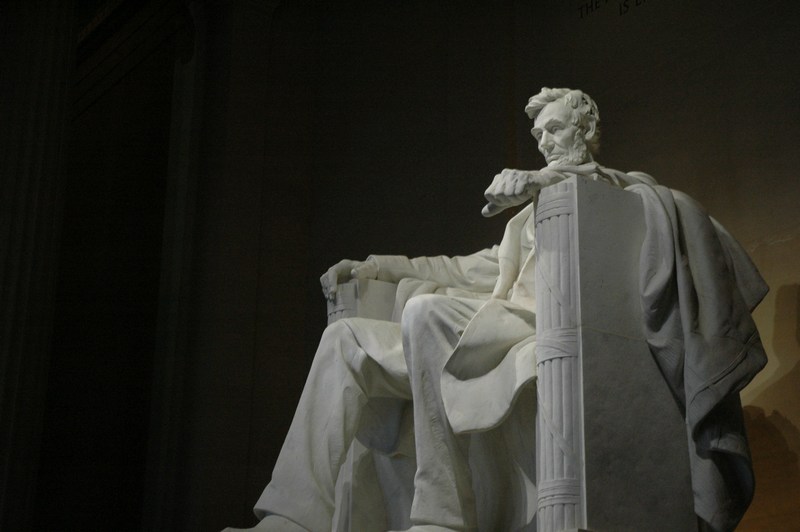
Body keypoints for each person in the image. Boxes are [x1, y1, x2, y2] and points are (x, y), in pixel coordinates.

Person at [227, 88, 766, 532]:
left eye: (555, 130)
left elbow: (607, 202)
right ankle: (292, 516)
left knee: (426, 314)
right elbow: (461, 270)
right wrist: (376, 266)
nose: (546, 143)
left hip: (550, 332)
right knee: (345, 341)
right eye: (539, 137)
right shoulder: (525, 220)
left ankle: (442, 515)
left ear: (586, 129)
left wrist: (544, 183)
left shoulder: (622, 198)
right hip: (486, 332)